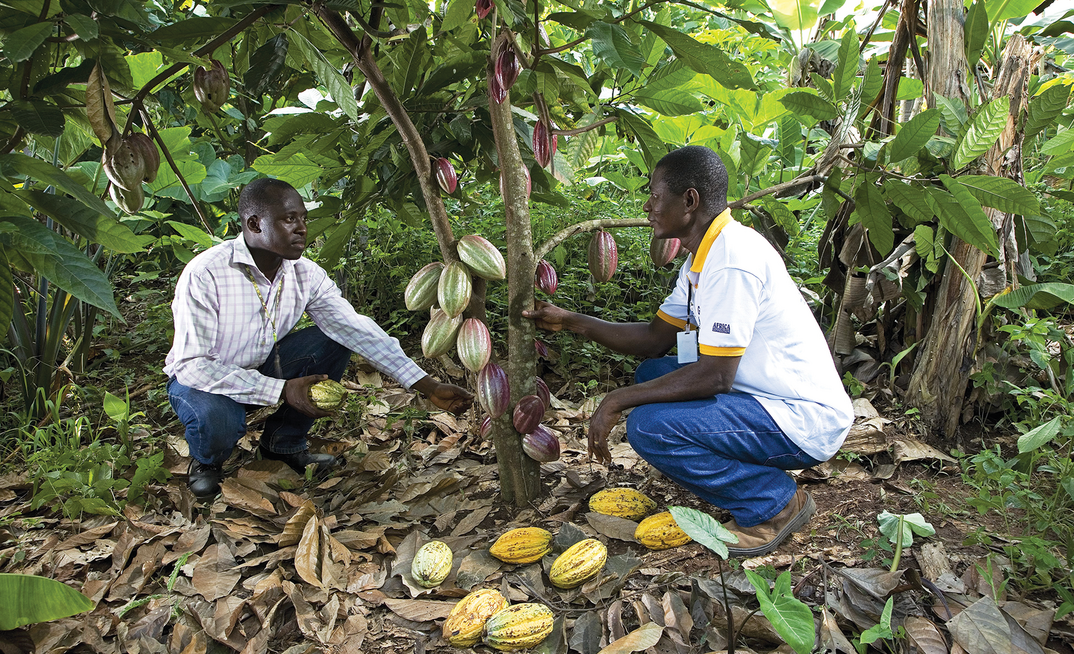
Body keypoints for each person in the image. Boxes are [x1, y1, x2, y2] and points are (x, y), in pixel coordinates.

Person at [523, 146, 853, 557]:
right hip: (761, 398)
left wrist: (616, 401)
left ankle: (772, 503)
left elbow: (715, 376)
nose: (648, 206)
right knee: (653, 374)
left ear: (690, 200)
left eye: (656, 196)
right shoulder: (701, 258)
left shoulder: (733, 259)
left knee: (648, 426)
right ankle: (744, 473)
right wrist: (571, 320)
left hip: (802, 418)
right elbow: (654, 338)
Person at [165, 178, 473, 498]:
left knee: (336, 337)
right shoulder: (207, 272)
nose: (301, 228)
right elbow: (192, 366)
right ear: (254, 224)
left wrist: (427, 385)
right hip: (200, 378)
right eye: (289, 219)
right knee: (218, 419)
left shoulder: (305, 274)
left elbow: (356, 329)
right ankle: (206, 461)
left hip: (261, 364)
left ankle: (282, 445)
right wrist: (283, 389)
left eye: (303, 218)